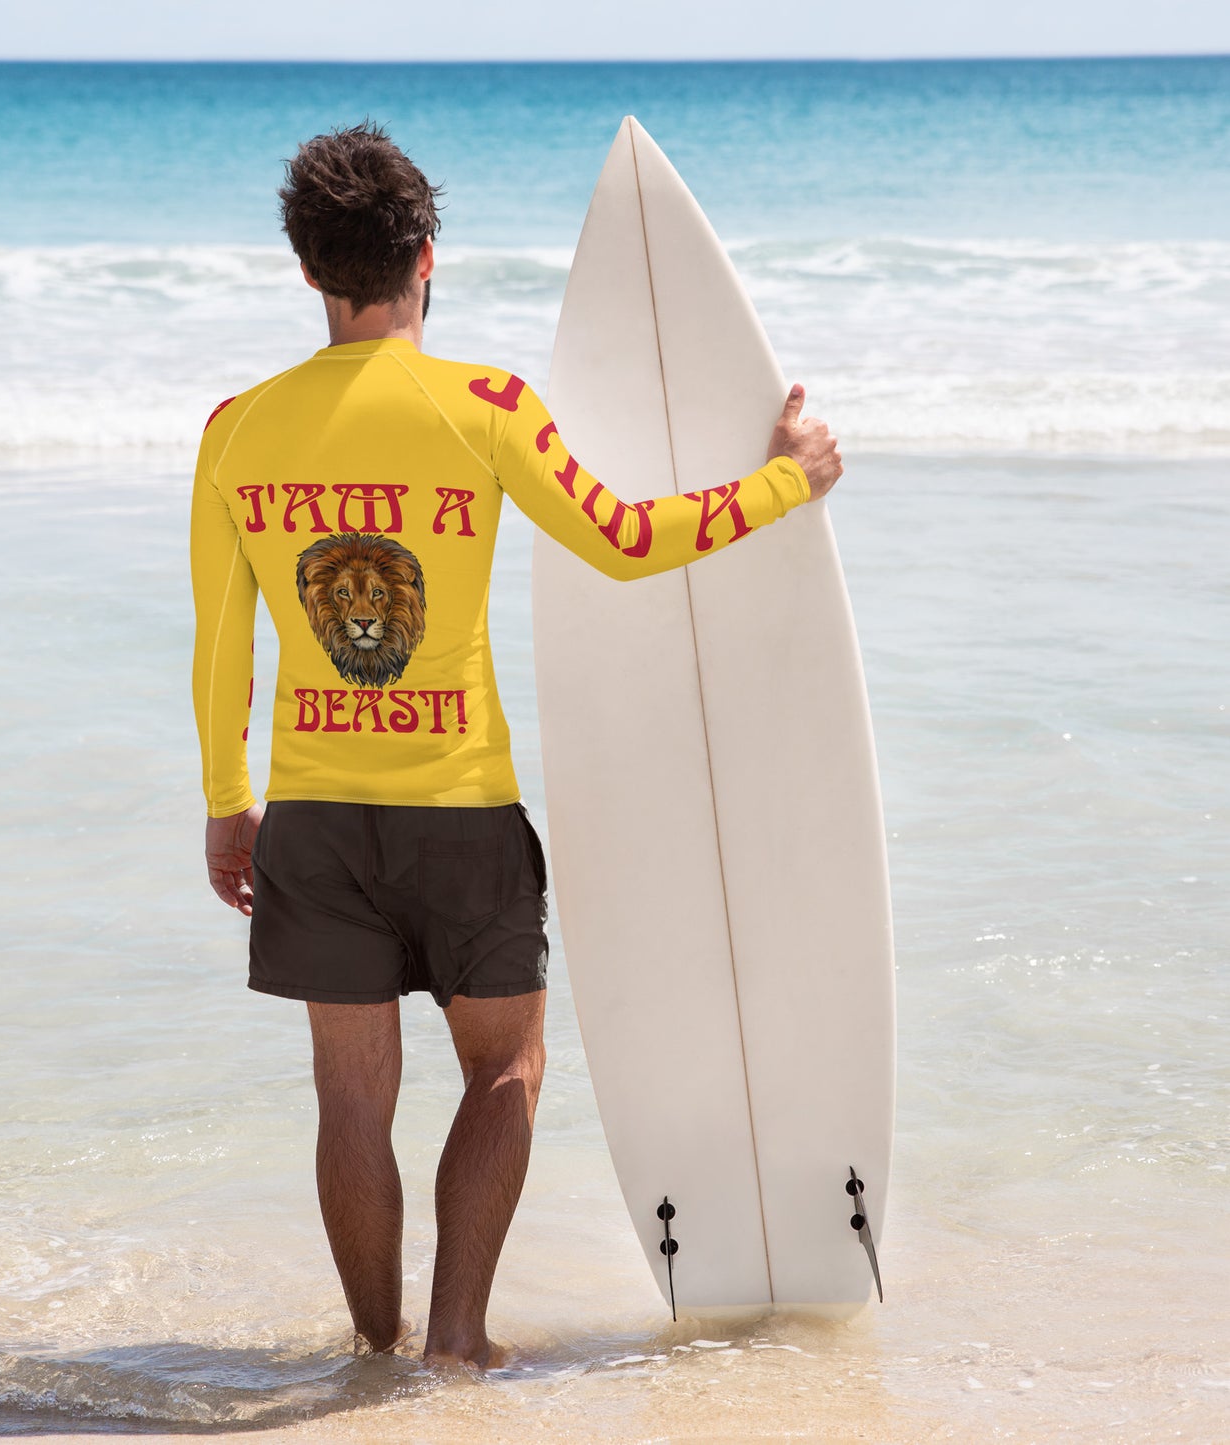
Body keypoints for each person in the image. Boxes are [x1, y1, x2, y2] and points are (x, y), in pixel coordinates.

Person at [190, 122, 842, 1370]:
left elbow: (224, 644)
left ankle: (371, 1351)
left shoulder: (237, 429)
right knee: (505, 1069)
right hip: (461, 814)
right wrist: (779, 483)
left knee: (349, 1099)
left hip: (315, 816)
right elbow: (618, 538)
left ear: (306, 270)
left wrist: (230, 805)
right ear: (426, 255)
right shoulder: (484, 407)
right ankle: (454, 1340)